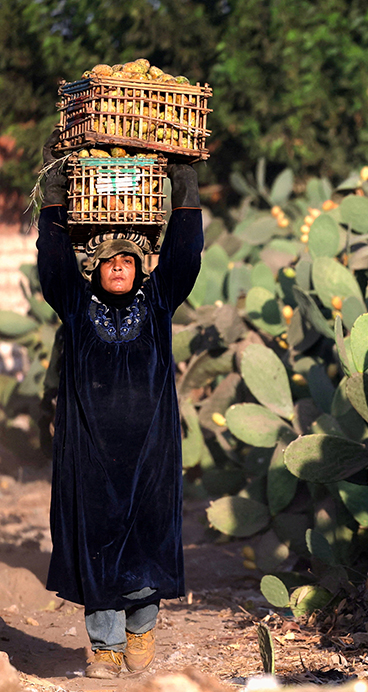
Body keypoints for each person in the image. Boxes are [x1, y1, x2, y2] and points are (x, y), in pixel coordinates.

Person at [36, 128, 204, 679]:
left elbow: (186, 254)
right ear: (97, 268)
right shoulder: (75, 305)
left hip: (150, 452)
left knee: (148, 538)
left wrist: (185, 188)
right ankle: (104, 647)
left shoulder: (157, 304)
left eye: (127, 261)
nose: (117, 268)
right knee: (97, 540)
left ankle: (141, 628)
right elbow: (54, 260)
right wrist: (57, 198)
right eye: (108, 261)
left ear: (138, 267)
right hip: (89, 451)